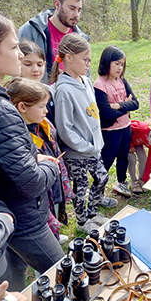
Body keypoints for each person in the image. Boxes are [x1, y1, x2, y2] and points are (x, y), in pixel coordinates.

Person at [0, 12, 64, 291]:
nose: (19, 52)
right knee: (63, 272)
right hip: (26, 218)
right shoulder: (5, 112)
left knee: (14, 286)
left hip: (11, 217)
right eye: (14, 47)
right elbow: (31, 180)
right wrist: (49, 164)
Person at [52, 33, 117, 233]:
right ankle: (82, 223)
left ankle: (93, 212)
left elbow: (92, 112)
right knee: (80, 188)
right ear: (69, 58)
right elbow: (65, 129)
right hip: (77, 153)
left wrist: (95, 143)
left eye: (90, 59)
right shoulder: (63, 90)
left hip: (93, 148)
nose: (89, 64)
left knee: (102, 178)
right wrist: (86, 146)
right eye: (85, 59)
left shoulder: (85, 81)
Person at [6, 77, 73, 244]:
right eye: (41, 106)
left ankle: (55, 237)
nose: (46, 111)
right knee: (44, 231)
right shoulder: (17, 138)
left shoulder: (41, 123)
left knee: (55, 211)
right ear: (22, 107)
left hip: (52, 183)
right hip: (37, 197)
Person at [17, 0, 88, 84]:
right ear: (57, 4)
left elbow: (86, 75)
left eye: (79, 10)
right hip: (38, 97)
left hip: (71, 96)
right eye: (72, 8)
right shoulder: (31, 30)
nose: (76, 14)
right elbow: (17, 70)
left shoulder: (81, 39)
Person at [94, 46, 139, 197]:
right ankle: (98, 190)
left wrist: (117, 105)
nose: (120, 67)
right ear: (107, 62)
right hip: (110, 131)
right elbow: (106, 113)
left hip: (125, 127)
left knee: (123, 157)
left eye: (122, 64)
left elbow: (136, 103)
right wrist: (126, 107)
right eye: (116, 63)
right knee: (106, 160)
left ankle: (122, 183)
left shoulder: (122, 81)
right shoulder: (99, 85)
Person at [19, 39, 56, 123]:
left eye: (40, 65)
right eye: (28, 64)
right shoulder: (14, 94)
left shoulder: (50, 92)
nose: (35, 69)